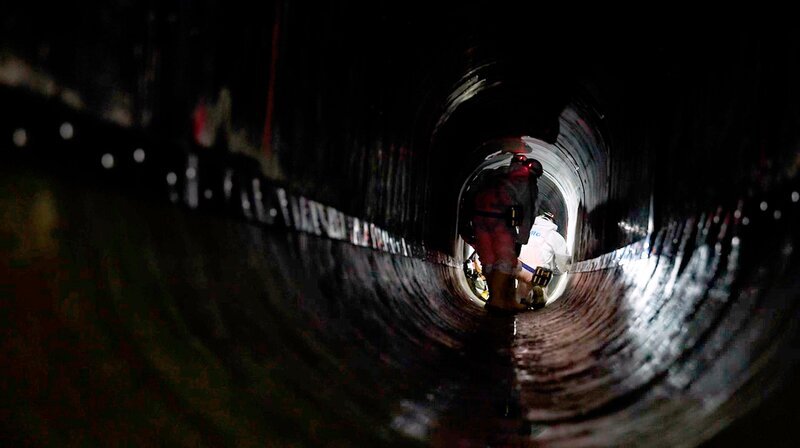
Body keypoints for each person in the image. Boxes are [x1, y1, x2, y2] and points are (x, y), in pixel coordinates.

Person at [461, 138, 543, 313]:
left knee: (488, 259)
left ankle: (497, 298)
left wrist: (465, 220)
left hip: (479, 217)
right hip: (501, 220)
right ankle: (499, 300)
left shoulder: (495, 172)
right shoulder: (527, 182)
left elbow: (470, 193)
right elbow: (528, 211)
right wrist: (522, 239)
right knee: (505, 259)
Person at [516, 211, 570, 309]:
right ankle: (540, 293)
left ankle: (521, 302)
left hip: (518, 267)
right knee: (544, 275)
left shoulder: (527, 229)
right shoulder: (555, 236)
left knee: (522, 286)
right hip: (537, 274)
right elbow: (563, 260)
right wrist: (562, 269)